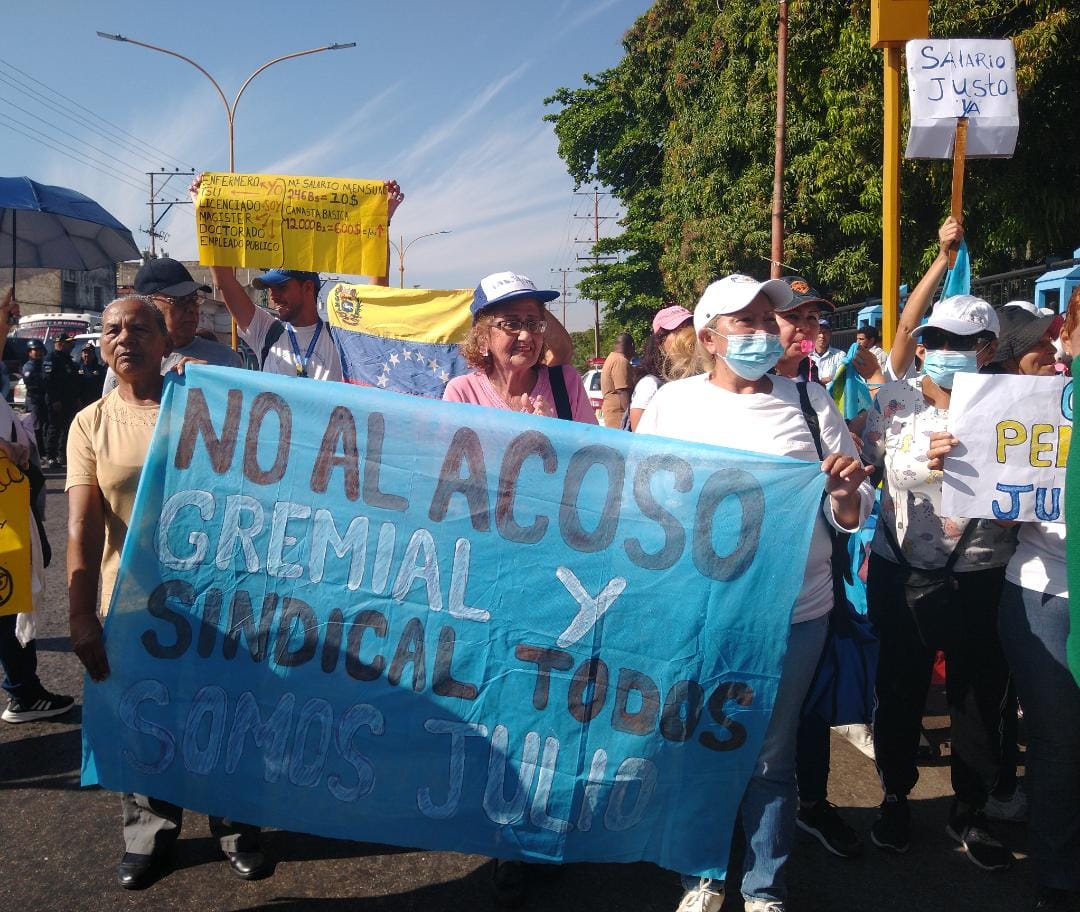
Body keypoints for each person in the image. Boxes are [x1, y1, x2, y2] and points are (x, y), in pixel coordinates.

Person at [639, 274, 873, 912]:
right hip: (699, 610)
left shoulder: (810, 402)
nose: (764, 332)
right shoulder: (671, 404)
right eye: (745, 323)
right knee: (697, 740)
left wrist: (848, 496)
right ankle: (701, 873)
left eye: (768, 321)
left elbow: (849, 508)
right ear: (710, 338)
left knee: (772, 755)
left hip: (795, 612)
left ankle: (765, 886)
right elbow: (641, 501)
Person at [66, 296, 270, 889]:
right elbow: (82, 525)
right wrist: (81, 615)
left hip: (214, 601)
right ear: (103, 345)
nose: (123, 337)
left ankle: (235, 829)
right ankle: (148, 835)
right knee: (144, 718)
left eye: (138, 328)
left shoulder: (207, 405)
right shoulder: (91, 423)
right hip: (130, 607)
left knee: (222, 713)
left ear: (164, 341)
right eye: (112, 330)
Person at [442, 271, 595, 903]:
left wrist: (555, 439)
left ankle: (549, 829)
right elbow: (452, 477)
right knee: (497, 704)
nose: (526, 336)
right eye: (511, 324)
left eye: (535, 322)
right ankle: (503, 837)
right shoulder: (461, 389)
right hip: (491, 577)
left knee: (551, 705)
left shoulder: (566, 385)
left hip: (559, 578)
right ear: (483, 335)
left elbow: (603, 464)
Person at [862, 294, 1018, 871]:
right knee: (899, 687)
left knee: (978, 697)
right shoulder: (896, 399)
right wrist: (923, 459)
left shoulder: (1020, 408)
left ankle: (971, 810)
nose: (942, 353)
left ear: (989, 349)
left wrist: (1022, 507)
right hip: (903, 571)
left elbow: (1039, 482)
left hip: (983, 572)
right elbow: (888, 467)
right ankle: (895, 796)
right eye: (935, 341)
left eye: (960, 343)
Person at [996, 286, 1080, 911]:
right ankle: (1059, 870)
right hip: (1045, 594)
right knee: (1057, 738)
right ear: (1067, 340)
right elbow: (1000, 517)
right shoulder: (1031, 409)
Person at [0, 287, 74, 724]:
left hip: (14, 494)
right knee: (12, 588)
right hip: (6, 499)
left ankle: (23, 687)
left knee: (18, 582)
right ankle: (23, 690)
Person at [101, 257, 242, 395]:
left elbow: (242, 412)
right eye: (179, 300)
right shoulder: (127, 362)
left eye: (194, 299)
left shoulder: (225, 359)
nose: (191, 309)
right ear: (148, 304)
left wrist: (211, 383)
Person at [627, 304, 695, 430]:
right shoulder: (650, 385)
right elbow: (640, 438)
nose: (687, 336)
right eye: (678, 331)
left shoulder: (701, 378)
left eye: (690, 328)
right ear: (660, 341)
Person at [43, 332, 78, 468]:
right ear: (60, 344)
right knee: (54, 428)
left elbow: (72, 381)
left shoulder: (67, 359)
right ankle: (50, 457)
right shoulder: (51, 359)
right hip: (56, 401)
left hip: (68, 400)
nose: (71, 346)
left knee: (66, 428)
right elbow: (48, 381)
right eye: (68, 343)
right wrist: (54, 400)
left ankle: (61, 455)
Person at [600, 332, 636, 427]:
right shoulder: (620, 361)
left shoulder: (611, 358)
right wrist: (631, 418)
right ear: (632, 346)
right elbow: (623, 391)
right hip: (619, 416)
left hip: (613, 414)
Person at [21, 338, 48, 454]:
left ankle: (44, 451)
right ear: (29, 352)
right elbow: (31, 383)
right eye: (34, 350)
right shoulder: (28, 366)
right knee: (35, 427)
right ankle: (36, 452)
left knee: (46, 425)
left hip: (45, 399)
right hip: (34, 400)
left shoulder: (44, 364)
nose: (37, 352)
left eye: (39, 350)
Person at [811, 318, 845, 384]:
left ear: (830, 334)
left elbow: (841, 379)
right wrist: (821, 382)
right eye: (819, 332)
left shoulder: (840, 355)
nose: (822, 336)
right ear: (813, 334)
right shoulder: (806, 356)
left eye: (825, 332)